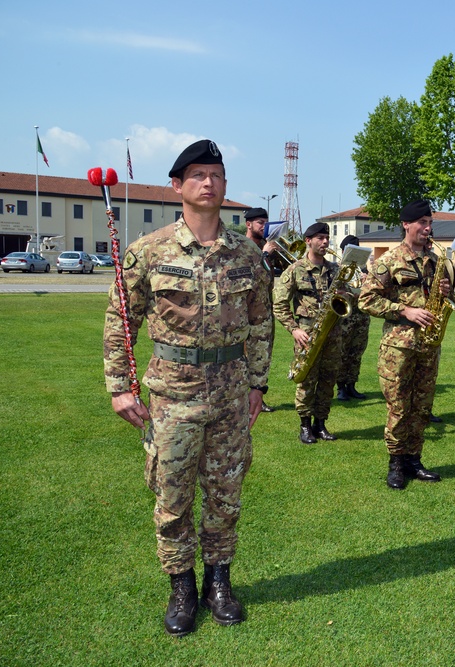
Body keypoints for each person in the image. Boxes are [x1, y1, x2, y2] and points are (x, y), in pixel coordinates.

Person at [104, 139, 272, 636]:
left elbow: (261, 323)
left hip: (231, 393)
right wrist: (119, 386)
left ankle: (219, 581)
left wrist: (258, 383)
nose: (208, 182)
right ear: (177, 186)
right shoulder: (148, 251)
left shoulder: (246, 253)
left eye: (216, 174)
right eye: (197, 174)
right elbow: (121, 319)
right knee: (172, 495)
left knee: (225, 494)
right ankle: (182, 586)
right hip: (173, 395)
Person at [358, 200, 454, 490]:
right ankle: (396, 463)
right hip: (398, 348)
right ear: (406, 224)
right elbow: (366, 300)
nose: (427, 228)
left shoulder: (436, 260)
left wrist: (447, 294)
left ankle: (414, 459)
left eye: (430, 223)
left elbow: (446, 302)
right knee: (399, 406)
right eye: (422, 222)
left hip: (428, 344)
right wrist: (404, 310)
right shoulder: (389, 260)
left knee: (422, 406)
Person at [272, 222, 343, 444]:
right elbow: (279, 304)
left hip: (333, 333)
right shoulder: (294, 270)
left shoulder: (335, 269)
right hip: (307, 335)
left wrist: (346, 294)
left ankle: (320, 424)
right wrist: (294, 329)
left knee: (327, 380)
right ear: (308, 241)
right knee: (306, 381)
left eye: (326, 238)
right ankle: (305, 426)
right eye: (320, 238)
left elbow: (351, 298)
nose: (325, 242)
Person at [243, 207, 279, 413]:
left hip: (266, 312)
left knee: (263, 356)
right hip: (247, 314)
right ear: (249, 225)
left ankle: (258, 396)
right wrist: (265, 255)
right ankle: (243, 397)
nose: (264, 227)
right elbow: (254, 277)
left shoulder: (267, 247)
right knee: (247, 356)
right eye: (260, 223)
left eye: (266, 223)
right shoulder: (244, 248)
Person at [335, 234, 370, 401]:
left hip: (361, 318)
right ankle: (340, 387)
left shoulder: (364, 271)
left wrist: (368, 281)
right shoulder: (337, 269)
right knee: (342, 353)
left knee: (357, 352)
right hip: (344, 318)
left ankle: (351, 385)